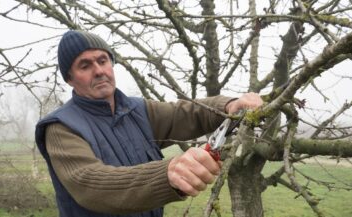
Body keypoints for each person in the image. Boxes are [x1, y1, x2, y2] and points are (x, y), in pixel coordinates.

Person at [35, 30, 263, 217]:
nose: (98, 71)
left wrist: (229, 105)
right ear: (69, 79)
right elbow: (89, 184)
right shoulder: (60, 128)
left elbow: (186, 113)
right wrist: (168, 174)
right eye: (85, 66)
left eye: (103, 60)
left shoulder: (137, 110)